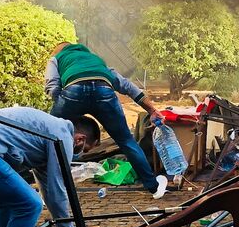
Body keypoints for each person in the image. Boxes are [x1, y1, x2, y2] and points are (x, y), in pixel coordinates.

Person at [45, 42, 168, 199]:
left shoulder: (56, 59)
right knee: (126, 141)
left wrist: (64, 112)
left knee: (49, 139)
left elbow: (53, 86)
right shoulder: (95, 59)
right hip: (104, 91)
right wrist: (152, 110)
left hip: (72, 91)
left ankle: (51, 191)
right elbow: (127, 86)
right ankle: (154, 187)